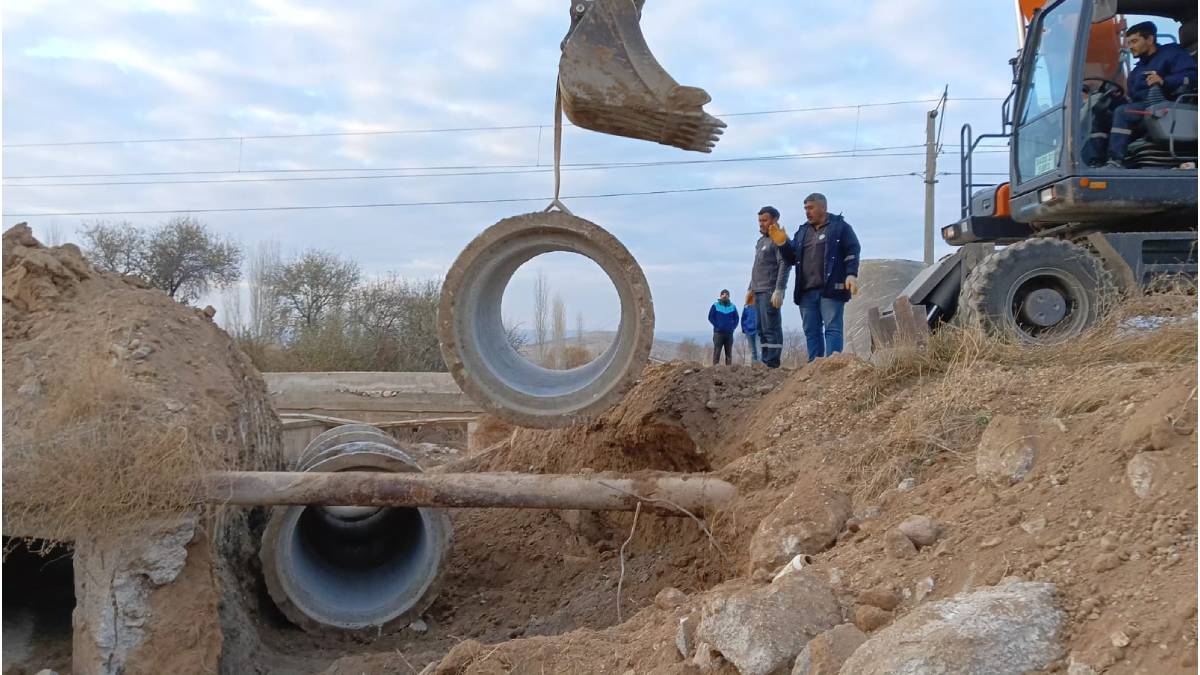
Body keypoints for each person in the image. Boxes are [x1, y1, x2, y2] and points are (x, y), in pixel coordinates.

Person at [1086, 21, 1198, 167]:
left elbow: (1193, 76)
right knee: (1101, 110)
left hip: (1168, 107)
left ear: (1150, 40)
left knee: (1123, 112)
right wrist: (1112, 97)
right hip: (1142, 108)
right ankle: (1095, 161)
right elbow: (1133, 98)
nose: (1131, 47)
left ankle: (1115, 161)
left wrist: (1164, 81)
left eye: (1134, 41)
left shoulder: (1172, 54)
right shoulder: (1137, 70)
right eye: (1128, 43)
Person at [768, 193, 860, 361]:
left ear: (823, 207)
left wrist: (851, 274)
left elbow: (852, 251)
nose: (807, 212)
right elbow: (791, 258)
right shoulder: (803, 231)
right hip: (806, 291)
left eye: (810, 208)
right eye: (805, 209)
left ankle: (832, 366)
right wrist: (782, 243)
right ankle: (814, 368)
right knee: (811, 331)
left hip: (831, 289)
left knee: (832, 328)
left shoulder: (840, 227)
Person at [746, 206, 791, 368]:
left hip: (770, 291)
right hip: (758, 290)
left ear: (774, 220)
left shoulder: (778, 239)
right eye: (759, 220)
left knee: (771, 328)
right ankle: (765, 362)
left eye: (764, 220)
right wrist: (750, 288)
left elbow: (784, 263)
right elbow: (757, 266)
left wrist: (780, 289)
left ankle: (772, 363)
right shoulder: (760, 242)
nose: (761, 224)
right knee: (761, 329)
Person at [708, 289, 738, 366]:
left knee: (728, 353)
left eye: (726, 294)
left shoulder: (733, 307)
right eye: (723, 294)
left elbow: (736, 318)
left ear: (729, 296)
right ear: (720, 296)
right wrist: (717, 325)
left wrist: (733, 327)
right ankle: (715, 368)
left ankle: (729, 370)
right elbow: (710, 317)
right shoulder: (715, 305)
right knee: (717, 352)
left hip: (729, 333)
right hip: (718, 333)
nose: (725, 296)